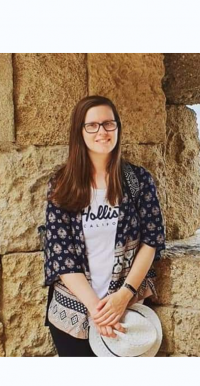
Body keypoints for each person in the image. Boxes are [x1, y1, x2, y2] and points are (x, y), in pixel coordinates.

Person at [41, 95, 166, 357]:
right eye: (93, 125)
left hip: (127, 311)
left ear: (118, 128)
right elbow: (61, 256)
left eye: (109, 124)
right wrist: (97, 311)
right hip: (72, 315)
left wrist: (123, 297)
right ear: (80, 132)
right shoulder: (63, 185)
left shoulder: (138, 180)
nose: (102, 132)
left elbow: (152, 240)